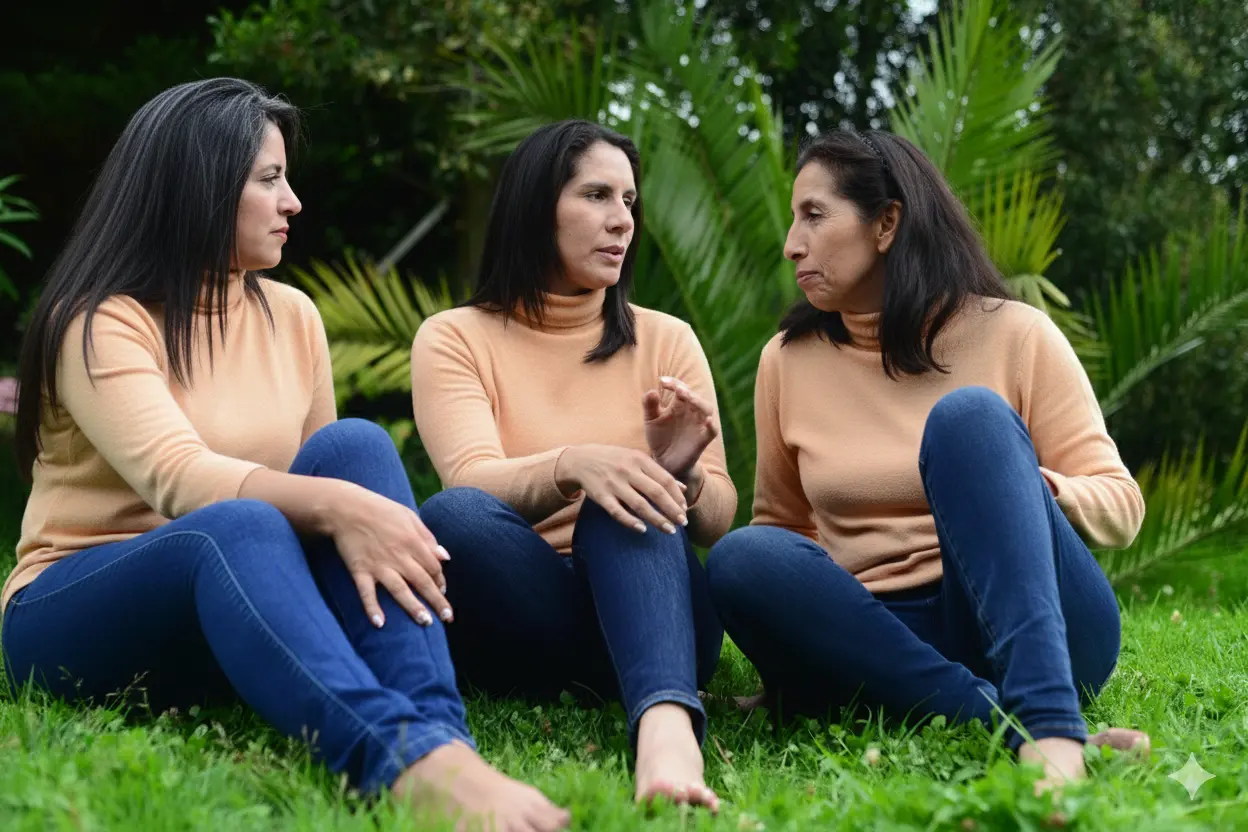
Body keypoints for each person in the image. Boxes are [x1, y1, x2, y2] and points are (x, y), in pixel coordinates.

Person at [2, 78, 569, 832]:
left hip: (234, 613)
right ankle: (397, 758)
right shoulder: (100, 322)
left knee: (354, 446)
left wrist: (344, 501)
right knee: (238, 522)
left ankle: (441, 735)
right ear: (198, 187)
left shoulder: (292, 315)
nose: (293, 200)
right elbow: (179, 480)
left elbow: (322, 483)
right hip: (72, 613)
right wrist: (341, 506)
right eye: (269, 179)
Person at [705, 129, 1150, 792]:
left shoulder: (1015, 333)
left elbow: (1122, 505)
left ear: (886, 223)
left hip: (1032, 621)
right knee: (741, 556)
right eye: (794, 219)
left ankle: (1051, 729)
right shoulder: (786, 360)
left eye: (815, 216)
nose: (792, 243)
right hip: (882, 638)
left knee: (968, 421)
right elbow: (786, 529)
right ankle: (1003, 722)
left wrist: (1036, 491)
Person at [410, 119, 736, 811]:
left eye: (628, 201)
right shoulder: (454, 338)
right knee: (451, 514)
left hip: (662, 607)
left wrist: (682, 472)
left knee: (632, 495)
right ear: (537, 206)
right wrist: (574, 464)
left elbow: (719, 519)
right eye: (596, 196)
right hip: (525, 613)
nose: (621, 221)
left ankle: (667, 728)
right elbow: (470, 479)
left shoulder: (666, 338)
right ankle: (628, 685)